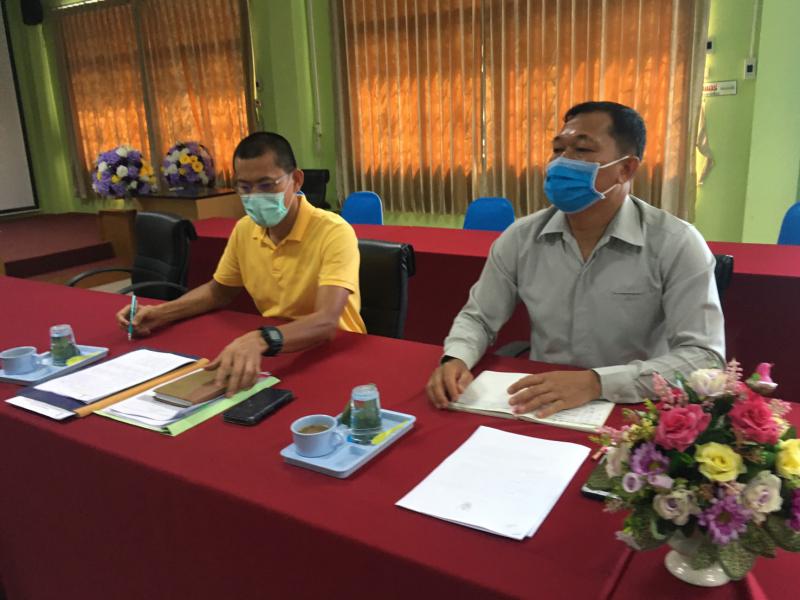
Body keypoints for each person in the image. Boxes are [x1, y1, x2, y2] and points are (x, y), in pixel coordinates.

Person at [426, 101, 725, 417]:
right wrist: (456, 358)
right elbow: (479, 317)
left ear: (626, 168)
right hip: (541, 402)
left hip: (635, 409)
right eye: (557, 149)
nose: (561, 161)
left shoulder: (675, 242)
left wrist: (597, 383)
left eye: (582, 150)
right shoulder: (521, 237)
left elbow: (704, 357)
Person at [117, 132, 366, 395]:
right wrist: (161, 313)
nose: (255, 196)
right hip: (277, 348)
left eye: (266, 185)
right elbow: (218, 292)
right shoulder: (245, 229)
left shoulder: (333, 232)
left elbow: (326, 322)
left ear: (296, 180)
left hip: (335, 351)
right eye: (245, 187)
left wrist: (261, 338)